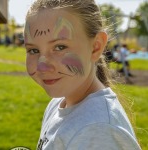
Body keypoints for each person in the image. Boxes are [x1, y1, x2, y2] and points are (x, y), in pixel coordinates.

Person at [24, 0, 141, 149]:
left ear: (95, 47)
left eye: (60, 47)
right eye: (33, 50)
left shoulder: (97, 131)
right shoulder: (57, 103)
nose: (42, 66)